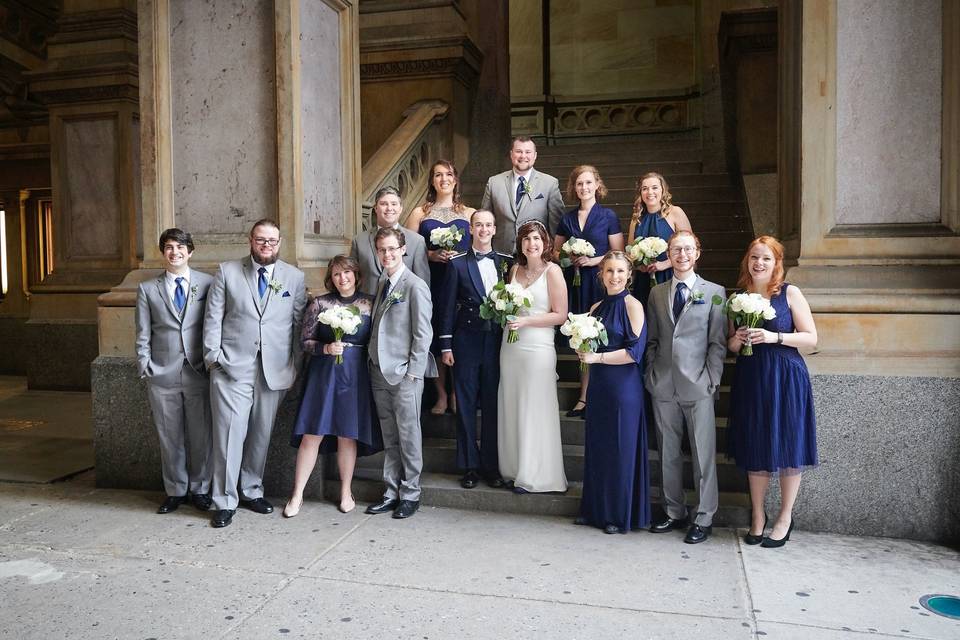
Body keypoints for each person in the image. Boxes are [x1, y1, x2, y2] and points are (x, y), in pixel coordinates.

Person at [203, 219, 307, 528]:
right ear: (251, 240)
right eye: (261, 240)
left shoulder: (294, 277)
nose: (266, 246)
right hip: (232, 367)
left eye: (272, 241)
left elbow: (299, 325)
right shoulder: (227, 272)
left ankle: (251, 489)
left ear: (280, 242)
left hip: (274, 370)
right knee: (229, 435)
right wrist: (213, 358)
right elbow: (213, 318)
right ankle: (223, 500)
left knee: (261, 433)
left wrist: (294, 366)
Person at [727, 236, 818, 548]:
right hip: (752, 377)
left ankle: (784, 517)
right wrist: (738, 338)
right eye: (754, 257)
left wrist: (774, 336)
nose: (759, 263)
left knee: (789, 445)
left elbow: (811, 339)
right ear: (747, 261)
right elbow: (732, 346)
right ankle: (757, 516)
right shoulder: (739, 297)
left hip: (786, 376)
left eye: (766, 258)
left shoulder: (790, 293)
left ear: (776, 262)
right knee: (756, 443)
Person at [282, 255, 382, 518]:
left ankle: (346, 492)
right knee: (312, 433)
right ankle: (297, 494)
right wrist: (325, 347)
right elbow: (305, 340)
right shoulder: (320, 303)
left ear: (356, 274)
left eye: (347, 273)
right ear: (331, 278)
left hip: (354, 376)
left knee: (347, 434)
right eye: (337, 274)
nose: (342, 278)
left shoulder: (369, 303)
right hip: (323, 375)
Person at [644, 230, 726, 544]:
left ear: (697, 253)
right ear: (669, 253)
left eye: (687, 249)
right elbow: (653, 339)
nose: (682, 255)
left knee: (703, 454)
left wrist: (711, 380)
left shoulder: (715, 292)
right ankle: (673, 511)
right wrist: (651, 373)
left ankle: (704, 517)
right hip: (663, 384)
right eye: (676, 249)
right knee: (668, 452)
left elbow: (717, 343)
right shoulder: (656, 293)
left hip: (699, 385)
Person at [135, 228, 214, 514]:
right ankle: (175, 490)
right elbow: (143, 333)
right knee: (169, 436)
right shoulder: (147, 289)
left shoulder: (208, 284)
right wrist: (145, 365)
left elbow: (215, 323)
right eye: (169, 247)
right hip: (162, 374)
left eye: (180, 247)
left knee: (201, 435)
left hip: (198, 372)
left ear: (190, 252)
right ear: (163, 252)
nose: (175, 252)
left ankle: (201, 488)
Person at [574, 251, 650, 534]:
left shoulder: (633, 306)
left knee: (620, 448)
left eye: (620, 271)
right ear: (601, 275)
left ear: (629, 275)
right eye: (609, 271)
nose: (614, 276)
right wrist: (583, 350)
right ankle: (595, 509)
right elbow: (589, 346)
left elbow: (635, 352)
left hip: (623, 387)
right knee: (599, 446)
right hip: (600, 386)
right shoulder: (595, 308)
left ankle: (617, 515)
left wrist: (598, 359)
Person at [365, 227, 437, 519]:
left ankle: (411, 493)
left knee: (408, 434)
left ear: (403, 249)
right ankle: (390, 490)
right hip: (379, 373)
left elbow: (423, 334)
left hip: (404, 375)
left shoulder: (415, 285)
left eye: (392, 249)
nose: (388, 254)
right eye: (382, 250)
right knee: (389, 434)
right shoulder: (384, 283)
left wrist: (413, 374)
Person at [438, 210, 512, 489]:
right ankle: (469, 465)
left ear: (495, 230)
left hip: (497, 342)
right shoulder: (456, 264)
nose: (483, 229)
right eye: (478, 225)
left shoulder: (507, 263)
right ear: (470, 229)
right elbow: (446, 308)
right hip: (466, 340)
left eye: (488, 225)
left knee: (494, 405)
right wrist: (445, 344)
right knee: (466, 404)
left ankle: (491, 466)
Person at [498, 220, 568, 494]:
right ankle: (513, 468)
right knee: (512, 403)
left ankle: (536, 474)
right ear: (520, 244)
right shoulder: (514, 269)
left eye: (537, 239)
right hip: (511, 346)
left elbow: (560, 315)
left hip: (538, 347)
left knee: (535, 407)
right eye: (527, 239)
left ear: (546, 243)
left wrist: (526, 322)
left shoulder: (553, 272)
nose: (532, 244)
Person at [553, 165, 625, 417]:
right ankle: (583, 397)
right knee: (582, 340)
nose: (583, 187)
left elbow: (618, 253)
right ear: (573, 188)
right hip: (575, 284)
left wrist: (593, 260)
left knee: (601, 339)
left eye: (587, 183)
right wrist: (570, 257)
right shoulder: (567, 218)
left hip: (600, 284)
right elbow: (555, 253)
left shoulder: (608, 216)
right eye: (578, 184)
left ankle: (600, 395)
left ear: (597, 185)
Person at [405, 160, 474, 415]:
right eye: (437, 175)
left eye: (448, 174)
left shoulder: (469, 213)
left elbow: (477, 250)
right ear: (432, 181)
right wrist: (431, 256)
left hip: (462, 284)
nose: (443, 178)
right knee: (433, 337)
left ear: (455, 179)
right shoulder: (419, 213)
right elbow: (408, 250)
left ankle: (458, 393)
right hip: (431, 280)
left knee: (459, 336)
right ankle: (441, 395)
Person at [480, 136, 565, 255]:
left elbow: (556, 225)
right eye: (519, 151)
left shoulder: (549, 183)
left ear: (535, 155)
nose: (523, 156)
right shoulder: (494, 182)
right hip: (501, 254)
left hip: (536, 255)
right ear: (511, 154)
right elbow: (484, 219)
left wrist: (553, 253)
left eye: (528, 152)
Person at [351, 186, 430, 296]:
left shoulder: (417, 241)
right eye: (383, 204)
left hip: (402, 310)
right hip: (366, 308)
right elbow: (352, 280)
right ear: (375, 208)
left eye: (394, 204)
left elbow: (423, 285)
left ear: (400, 208)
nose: (389, 208)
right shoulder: (358, 241)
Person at [627, 172, 692, 306]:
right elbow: (630, 252)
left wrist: (664, 264)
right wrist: (640, 266)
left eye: (654, 187)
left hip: (670, 276)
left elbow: (690, 247)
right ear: (640, 193)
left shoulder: (675, 212)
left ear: (663, 190)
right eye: (645, 188)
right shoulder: (636, 219)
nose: (650, 192)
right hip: (644, 279)